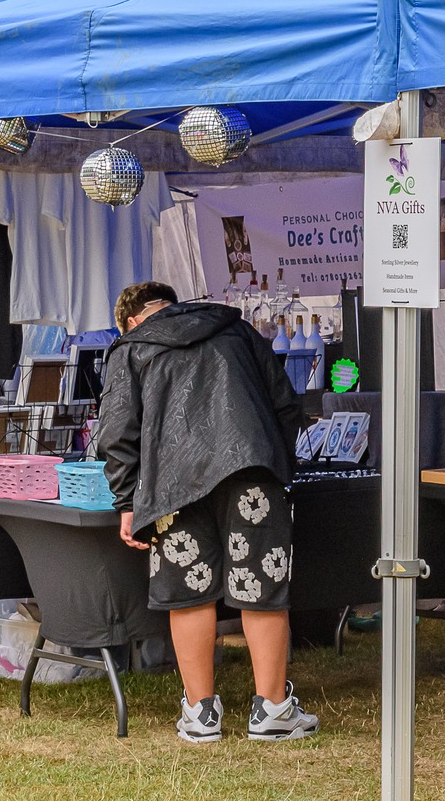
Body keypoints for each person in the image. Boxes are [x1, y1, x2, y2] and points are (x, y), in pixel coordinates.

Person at [97, 280, 314, 744]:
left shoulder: (130, 349)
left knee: (188, 591)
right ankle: (273, 711)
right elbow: (286, 404)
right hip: (252, 471)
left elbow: (116, 434)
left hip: (172, 486)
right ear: (171, 306)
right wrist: (277, 462)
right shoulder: (236, 330)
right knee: (262, 585)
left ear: (132, 319)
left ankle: (200, 714)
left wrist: (126, 501)